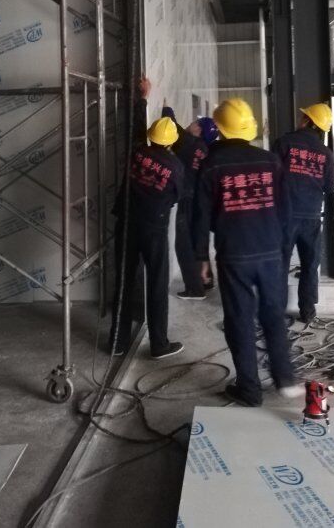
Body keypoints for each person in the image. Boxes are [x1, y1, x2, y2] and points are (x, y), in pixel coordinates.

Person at [194, 98, 300, 407]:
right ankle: (285, 380)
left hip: (234, 253)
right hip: (270, 250)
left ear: (220, 129)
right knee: (273, 315)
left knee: (239, 319)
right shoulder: (270, 161)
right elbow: (286, 210)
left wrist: (201, 258)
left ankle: (250, 390)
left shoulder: (211, 165)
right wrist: (281, 247)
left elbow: (200, 217)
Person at [109, 77, 185, 359]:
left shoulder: (137, 149)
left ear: (152, 136)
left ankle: (117, 342)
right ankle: (158, 344)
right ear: (172, 142)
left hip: (127, 224)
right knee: (157, 284)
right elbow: (177, 197)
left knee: (124, 282)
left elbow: (136, 125)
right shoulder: (175, 167)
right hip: (154, 230)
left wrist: (143, 98)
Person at [273, 103, 334, 323]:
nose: (300, 119)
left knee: (280, 263)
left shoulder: (284, 143)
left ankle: (276, 312)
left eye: (304, 116)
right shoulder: (325, 153)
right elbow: (330, 186)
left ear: (308, 121)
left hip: (285, 215)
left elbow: (270, 175)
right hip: (311, 216)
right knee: (310, 265)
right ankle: (307, 311)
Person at [161, 107, 218, 300]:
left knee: (183, 244)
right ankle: (206, 280)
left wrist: (167, 108)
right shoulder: (204, 149)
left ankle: (195, 289)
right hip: (202, 200)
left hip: (187, 199)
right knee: (198, 240)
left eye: (196, 122)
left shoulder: (188, 142)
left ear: (199, 130)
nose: (192, 123)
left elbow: (170, 125)